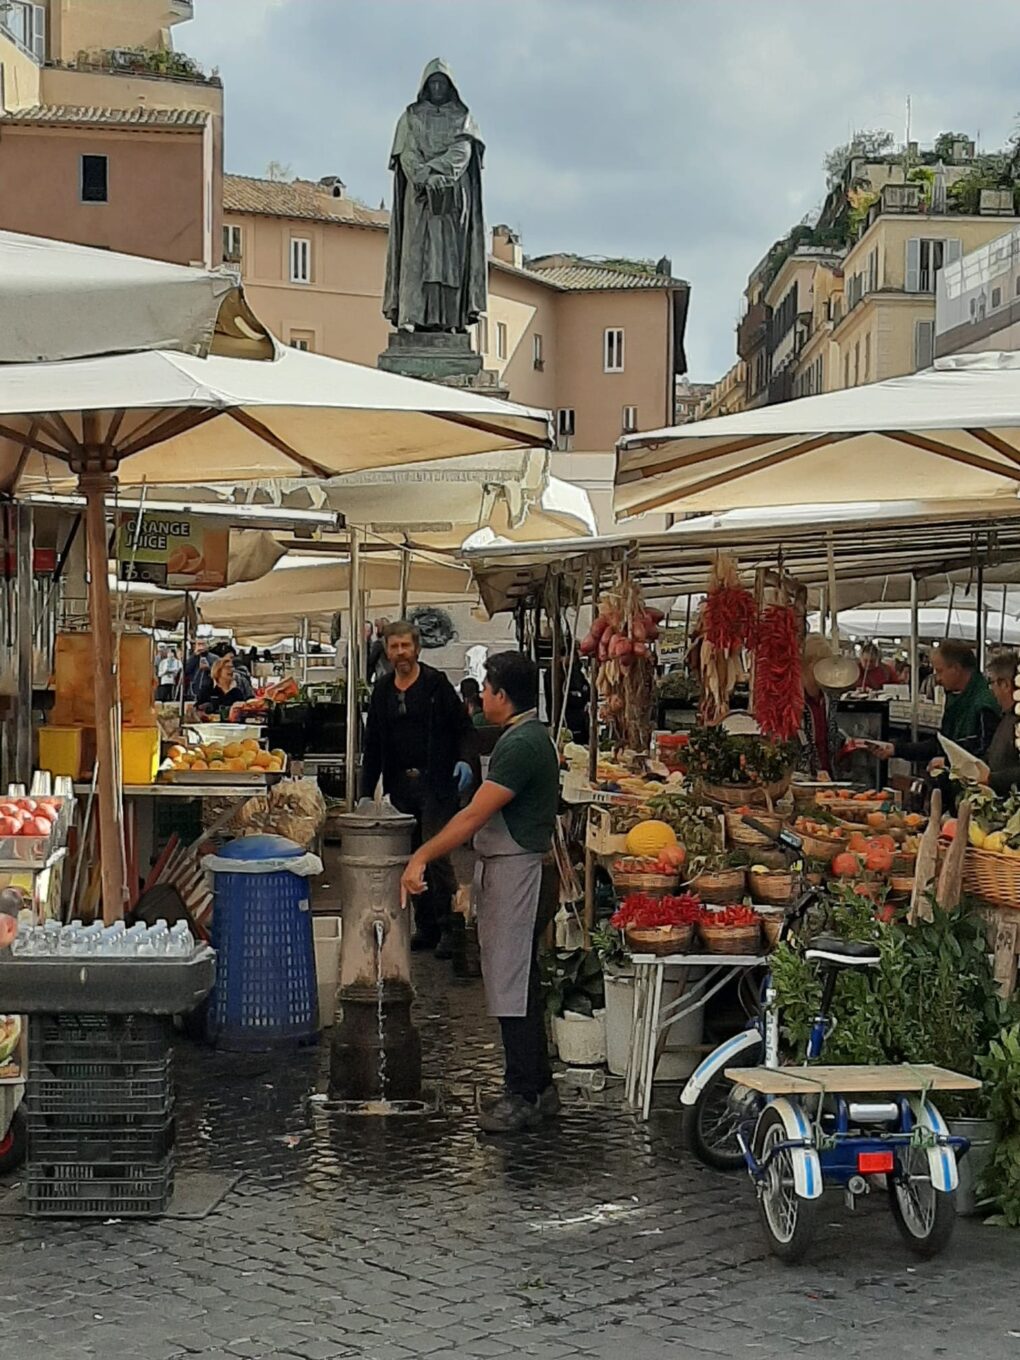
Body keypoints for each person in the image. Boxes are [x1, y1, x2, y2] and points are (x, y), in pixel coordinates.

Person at [400, 651, 560, 1134]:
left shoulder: (523, 745)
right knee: (519, 982)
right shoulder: (525, 737)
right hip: (510, 869)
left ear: (503, 695)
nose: (482, 697)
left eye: (486, 689)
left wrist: (422, 855)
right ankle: (539, 1085)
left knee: (512, 985)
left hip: (519, 872)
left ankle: (523, 1093)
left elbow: (474, 816)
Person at [361, 620, 476, 956]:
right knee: (409, 855)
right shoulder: (382, 692)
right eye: (394, 647)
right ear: (386, 651)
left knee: (435, 852)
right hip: (401, 785)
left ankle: (449, 929)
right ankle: (425, 927)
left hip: (437, 782)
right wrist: (367, 792)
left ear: (417, 648)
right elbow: (374, 746)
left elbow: (464, 729)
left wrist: (466, 761)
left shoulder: (436, 685)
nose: (401, 653)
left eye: (406, 646)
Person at [383, 59, 487, 333]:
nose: (438, 87)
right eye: (433, 83)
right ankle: (415, 317)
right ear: (425, 86)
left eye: (442, 83)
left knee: (450, 261)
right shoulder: (410, 118)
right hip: (419, 199)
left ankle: (452, 319)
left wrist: (440, 175)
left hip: (452, 199)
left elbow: (463, 151)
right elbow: (406, 152)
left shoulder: (463, 118)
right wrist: (424, 177)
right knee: (416, 256)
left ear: (450, 86)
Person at [873, 639, 1000, 769]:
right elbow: (942, 744)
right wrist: (895, 749)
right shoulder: (956, 697)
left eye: (939, 671)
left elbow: (986, 754)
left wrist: (947, 762)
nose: (937, 679)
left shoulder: (984, 703)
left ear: (956, 668)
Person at [798, 634, 844, 777]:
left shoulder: (828, 698)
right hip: (802, 780)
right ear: (811, 665)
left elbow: (830, 737)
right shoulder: (794, 700)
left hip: (828, 778)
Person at [982, 652, 1020, 795]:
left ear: (1005, 684)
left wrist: (992, 780)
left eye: (992, 682)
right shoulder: (1007, 717)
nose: (991, 690)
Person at [367, 618, 392, 683]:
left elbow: (371, 662)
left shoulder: (378, 644)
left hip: (382, 675)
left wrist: (367, 679)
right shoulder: (391, 641)